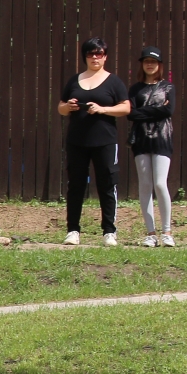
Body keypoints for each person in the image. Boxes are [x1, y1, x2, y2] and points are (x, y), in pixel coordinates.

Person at [58, 37, 130, 246]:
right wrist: (69, 106)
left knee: (107, 184)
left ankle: (109, 231)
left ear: (105, 57)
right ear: (85, 57)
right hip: (77, 141)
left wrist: (102, 109)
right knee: (76, 186)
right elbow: (61, 108)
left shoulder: (114, 81)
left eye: (99, 54)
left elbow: (125, 108)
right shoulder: (74, 80)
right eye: (91, 54)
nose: (95, 57)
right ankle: (73, 230)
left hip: (105, 141)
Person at [128, 46, 176, 248]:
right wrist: (156, 109)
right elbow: (131, 114)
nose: (150, 64)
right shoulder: (134, 89)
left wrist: (145, 111)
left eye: (154, 61)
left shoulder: (168, 87)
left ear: (159, 65)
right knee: (145, 185)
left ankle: (167, 232)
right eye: (146, 61)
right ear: (142, 64)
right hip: (140, 139)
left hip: (162, 138)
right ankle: (151, 233)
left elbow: (168, 111)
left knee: (159, 183)